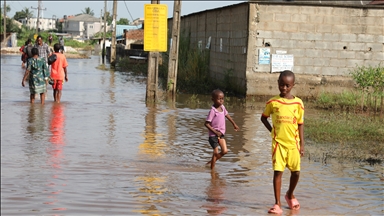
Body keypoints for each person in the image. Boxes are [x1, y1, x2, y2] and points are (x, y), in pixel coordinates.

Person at [260, 70, 305, 214]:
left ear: (292, 85)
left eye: (287, 85)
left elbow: (300, 124)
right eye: (281, 85)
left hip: (293, 144)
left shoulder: (298, 103)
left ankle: (290, 195)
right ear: (278, 83)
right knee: (278, 172)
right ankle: (277, 204)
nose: (284, 88)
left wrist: (302, 144)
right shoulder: (273, 102)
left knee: (296, 172)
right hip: (278, 144)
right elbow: (263, 118)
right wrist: (272, 131)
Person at [205, 89, 239, 169]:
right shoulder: (213, 111)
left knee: (225, 151)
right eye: (218, 99)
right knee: (216, 152)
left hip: (221, 134)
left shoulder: (222, 108)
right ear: (213, 99)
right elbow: (206, 124)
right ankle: (212, 171)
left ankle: (212, 161)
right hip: (213, 135)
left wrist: (234, 124)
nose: (221, 100)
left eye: (222, 98)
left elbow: (227, 115)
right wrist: (215, 132)